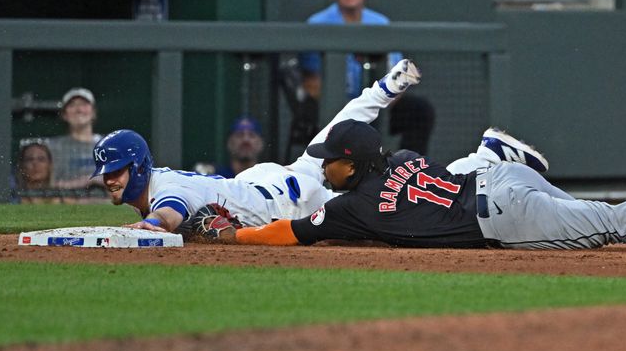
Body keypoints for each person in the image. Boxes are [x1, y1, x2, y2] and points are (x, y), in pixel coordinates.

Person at [226, 64, 626, 250]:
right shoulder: (404, 156)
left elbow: (288, 233)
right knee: (599, 218)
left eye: (330, 161)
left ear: (353, 162)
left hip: (503, 217)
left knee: (610, 221)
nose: (323, 167)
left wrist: (234, 235)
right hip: (497, 181)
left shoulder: (350, 208)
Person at [91, 60, 430, 233]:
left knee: (375, 208)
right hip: (261, 182)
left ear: (136, 168)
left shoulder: (166, 188)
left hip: (288, 204)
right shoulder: (156, 179)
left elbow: (168, 213)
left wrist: (151, 226)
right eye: (106, 173)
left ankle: (464, 176)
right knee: (330, 137)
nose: (108, 180)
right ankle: (381, 90)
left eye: (115, 171)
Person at [299, 0, 436, 154]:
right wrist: (350, 111)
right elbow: (311, 82)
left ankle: (407, 170)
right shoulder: (317, 23)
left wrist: (377, 104)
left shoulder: (380, 23)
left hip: (378, 105)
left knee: (420, 110)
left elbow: (398, 73)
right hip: (333, 108)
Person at [48, 87, 104, 190]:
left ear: (93, 112)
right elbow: (47, 186)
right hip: (67, 203)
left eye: (84, 104)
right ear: (64, 115)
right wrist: (87, 181)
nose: (79, 110)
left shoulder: (110, 145)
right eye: (72, 105)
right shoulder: (53, 147)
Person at [15, 140, 58, 204]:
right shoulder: (12, 198)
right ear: (22, 166)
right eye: (29, 159)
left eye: (41, 159)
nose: (35, 163)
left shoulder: (61, 199)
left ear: (50, 165)